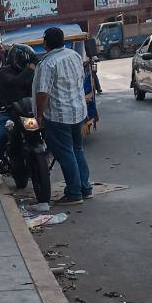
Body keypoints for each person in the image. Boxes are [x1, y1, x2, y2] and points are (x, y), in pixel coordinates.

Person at [33, 26, 92, 206]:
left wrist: (40, 115)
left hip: (59, 116)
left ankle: (74, 193)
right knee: (77, 150)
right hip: (78, 111)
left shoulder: (47, 63)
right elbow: (80, 80)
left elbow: (43, 93)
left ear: (45, 43)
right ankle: (85, 187)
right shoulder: (74, 56)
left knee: (65, 153)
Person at [0, 44, 37, 186]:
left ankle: (40, 160)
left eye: (29, 62)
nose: (27, 65)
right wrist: (30, 69)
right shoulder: (3, 72)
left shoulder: (32, 72)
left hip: (27, 113)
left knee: (39, 133)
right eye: (25, 62)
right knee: (2, 137)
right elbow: (15, 82)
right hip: (9, 114)